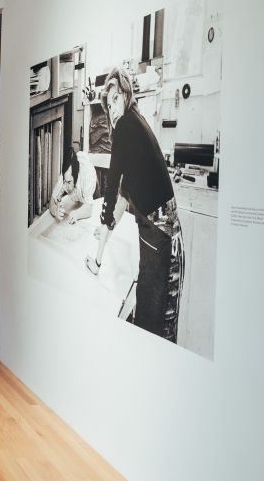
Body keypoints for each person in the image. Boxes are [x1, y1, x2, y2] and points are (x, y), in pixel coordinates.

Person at [85, 67, 185, 342]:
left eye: (116, 98)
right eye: (108, 103)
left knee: (152, 316)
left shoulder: (126, 126)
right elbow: (125, 190)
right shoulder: (134, 122)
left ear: (126, 95)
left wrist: (104, 224)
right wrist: (110, 226)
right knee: (156, 310)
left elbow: (111, 183)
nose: (112, 108)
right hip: (162, 231)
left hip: (159, 232)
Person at [48, 149, 97, 224]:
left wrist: (76, 214)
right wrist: (55, 211)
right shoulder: (65, 176)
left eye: (69, 182)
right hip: (76, 189)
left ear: (76, 177)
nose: (66, 186)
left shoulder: (87, 176)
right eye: (65, 181)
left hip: (92, 188)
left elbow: (89, 209)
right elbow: (52, 201)